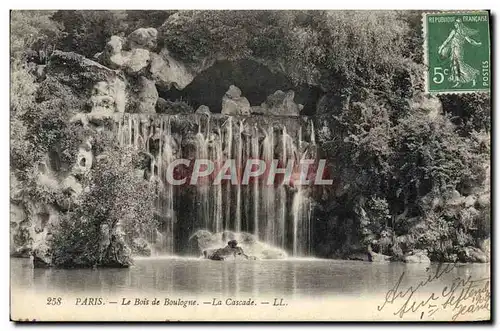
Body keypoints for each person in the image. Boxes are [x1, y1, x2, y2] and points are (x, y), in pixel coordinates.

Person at [438, 18, 482, 88]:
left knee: (459, 64)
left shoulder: (459, 32)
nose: (455, 24)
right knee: (455, 65)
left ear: (458, 24)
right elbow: (448, 40)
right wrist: (477, 44)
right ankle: (459, 82)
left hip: (458, 50)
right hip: (454, 49)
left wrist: (477, 43)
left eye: (457, 23)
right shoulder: (458, 32)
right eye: (455, 23)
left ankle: (473, 75)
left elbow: (470, 41)